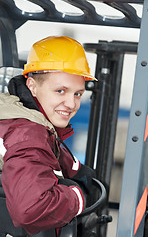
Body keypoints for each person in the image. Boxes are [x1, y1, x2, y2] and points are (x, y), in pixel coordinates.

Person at [0, 36, 96, 236]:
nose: (71, 104)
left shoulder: (18, 116)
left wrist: (78, 171)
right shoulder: (28, 133)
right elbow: (31, 208)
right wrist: (78, 197)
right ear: (32, 86)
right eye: (60, 91)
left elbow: (41, 154)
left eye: (78, 94)